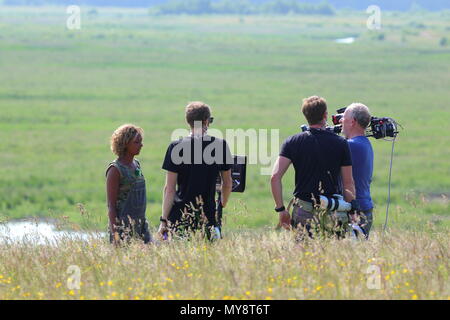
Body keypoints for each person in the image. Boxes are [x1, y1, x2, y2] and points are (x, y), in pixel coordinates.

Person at [271, 96, 356, 238]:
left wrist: (281, 209)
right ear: (325, 115)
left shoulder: (292, 142)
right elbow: (348, 182)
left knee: (304, 255)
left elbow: (275, 177)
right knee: (335, 255)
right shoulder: (341, 143)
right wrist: (351, 210)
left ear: (306, 116)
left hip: (303, 209)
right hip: (333, 209)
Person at [158, 101, 233, 240]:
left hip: (179, 216)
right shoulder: (220, 145)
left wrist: (163, 220)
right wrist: (221, 204)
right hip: (207, 216)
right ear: (206, 121)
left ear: (189, 122)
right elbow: (227, 183)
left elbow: (169, 189)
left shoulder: (175, 147)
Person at [106, 124, 152, 244]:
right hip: (123, 229)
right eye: (137, 142)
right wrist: (115, 235)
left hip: (141, 226)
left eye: (141, 142)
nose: (141, 145)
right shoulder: (115, 170)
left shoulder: (136, 164)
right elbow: (111, 207)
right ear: (125, 143)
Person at [341, 103, 374, 238]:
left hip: (355, 211)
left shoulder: (351, 146)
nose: (341, 121)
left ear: (353, 122)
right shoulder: (363, 142)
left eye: (344, 118)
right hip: (365, 207)